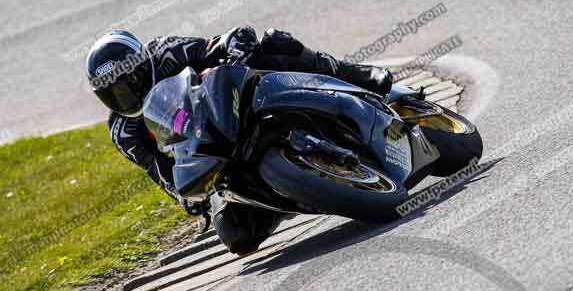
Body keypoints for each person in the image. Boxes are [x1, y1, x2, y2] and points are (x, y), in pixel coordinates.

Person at [85, 26, 393, 255]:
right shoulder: (123, 131)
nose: (125, 95)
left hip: (231, 107)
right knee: (237, 236)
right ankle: (287, 192)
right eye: (113, 93)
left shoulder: (167, 51)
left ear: (142, 65)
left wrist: (235, 45)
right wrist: (188, 199)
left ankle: (354, 76)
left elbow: (218, 44)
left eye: (128, 83)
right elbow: (160, 172)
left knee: (275, 43)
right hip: (209, 156)